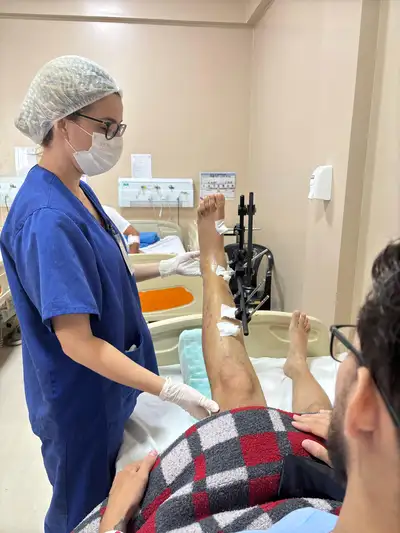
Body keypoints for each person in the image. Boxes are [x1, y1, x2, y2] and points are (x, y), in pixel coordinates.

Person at [84, 196, 400, 533]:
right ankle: (297, 365)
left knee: (238, 385)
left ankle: (213, 268)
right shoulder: (371, 476)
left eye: (351, 350)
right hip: (338, 478)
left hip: (259, 462)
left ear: (364, 407)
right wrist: (355, 459)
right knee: (315, 420)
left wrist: (113, 522)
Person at [0, 56, 219, 533]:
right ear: (63, 123)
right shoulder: (46, 218)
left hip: (105, 388)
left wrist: (164, 266)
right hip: (80, 400)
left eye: (119, 127)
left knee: (112, 503)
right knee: (80, 515)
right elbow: (77, 342)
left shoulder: (77, 190)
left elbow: (102, 273)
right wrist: (169, 388)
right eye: (106, 126)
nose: (114, 138)